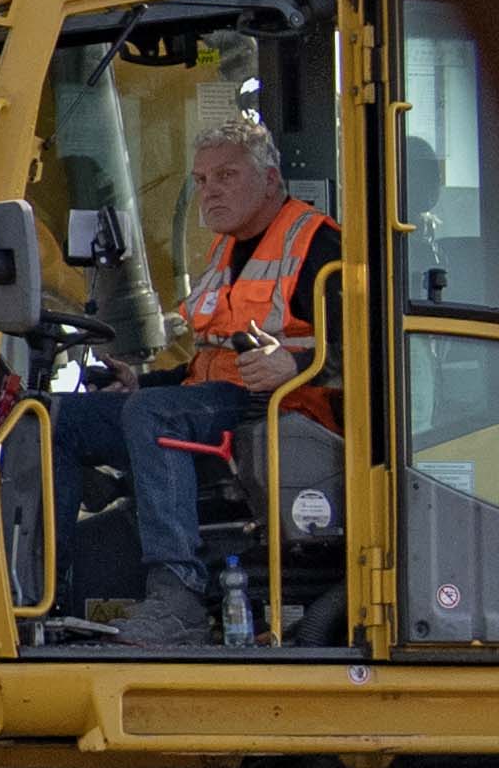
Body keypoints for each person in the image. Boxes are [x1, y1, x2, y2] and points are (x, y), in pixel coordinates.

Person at [109, 103, 334, 641]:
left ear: (270, 179)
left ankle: (177, 595)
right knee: (59, 419)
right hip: (212, 399)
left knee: (154, 416)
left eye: (226, 176)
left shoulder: (319, 244)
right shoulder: (223, 252)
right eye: (202, 180)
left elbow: (377, 348)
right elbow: (209, 357)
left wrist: (296, 364)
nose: (210, 191)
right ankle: (33, 597)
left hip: (288, 411)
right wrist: (145, 381)